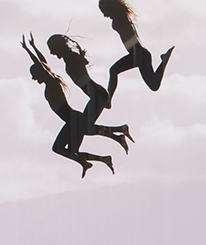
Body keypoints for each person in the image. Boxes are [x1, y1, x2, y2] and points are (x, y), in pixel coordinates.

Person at [21, 34, 131, 177]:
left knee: (85, 130)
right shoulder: (56, 73)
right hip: (76, 115)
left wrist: (30, 50)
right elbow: (43, 64)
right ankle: (103, 155)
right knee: (66, 147)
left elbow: (42, 64)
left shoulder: (53, 81)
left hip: (90, 102)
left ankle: (118, 133)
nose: (33, 78)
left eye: (34, 74)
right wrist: (31, 48)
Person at [91, 0, 173, 97]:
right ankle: (163, 60)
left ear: (109, 8)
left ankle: (108, 99)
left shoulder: (120, 17)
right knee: (153, 85)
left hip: (139, 54)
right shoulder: (119, 16)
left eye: (103, 11)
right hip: (136, 54)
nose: (103, 15)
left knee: (116, 72)